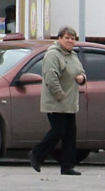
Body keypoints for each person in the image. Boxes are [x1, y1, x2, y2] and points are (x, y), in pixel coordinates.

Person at [29, 26, 87, 175]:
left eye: (73, 38)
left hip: (70, 102)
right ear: (59, 39)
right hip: (56, 100)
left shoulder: (72, 55)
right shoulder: (53, 55)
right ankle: (37, 154)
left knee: (70, 134)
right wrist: (59, 94)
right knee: (58, 131)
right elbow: (50, 77)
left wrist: (82, 78)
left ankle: (67, 166)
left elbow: (80, 71)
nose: (70, 41)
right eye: (67, 38)